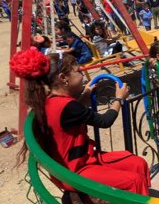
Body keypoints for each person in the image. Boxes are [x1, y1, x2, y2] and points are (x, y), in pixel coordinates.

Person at [9, 49, 151, 195]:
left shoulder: (50, 100)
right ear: (64, 78)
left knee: (138, 164)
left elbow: (70, 114)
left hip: (80, 161)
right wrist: (119, 99)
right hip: (75, 171)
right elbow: (105, 121)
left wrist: (85, 95)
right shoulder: (69, 107)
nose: (82, 73)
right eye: (78, 71)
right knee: (134, 180)